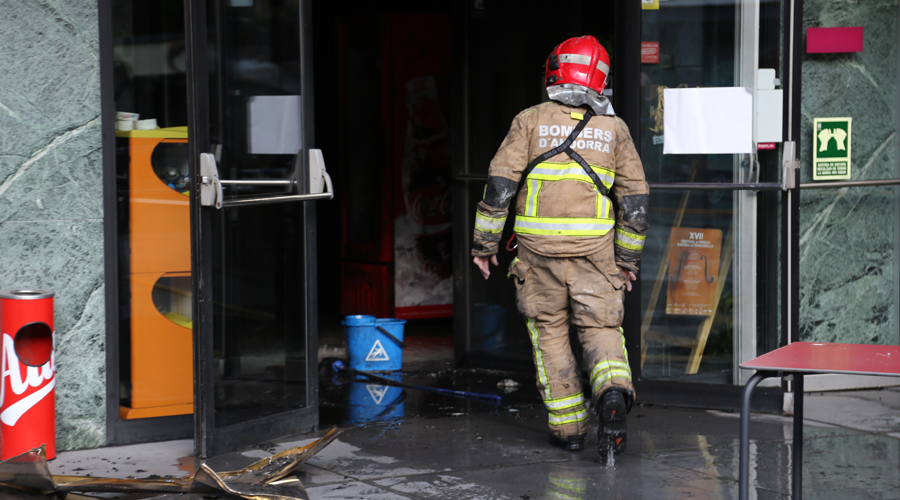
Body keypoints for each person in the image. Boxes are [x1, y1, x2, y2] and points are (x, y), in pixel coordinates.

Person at [471, 35, 649, 460]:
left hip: (536, 256)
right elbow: (636, 202)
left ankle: (569, 429)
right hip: (596, 256)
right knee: (601, 330)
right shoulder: (615, 130)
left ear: (555, 70)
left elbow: (499, 188)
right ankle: (611, 392)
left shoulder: (528, 120)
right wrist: (626, 260)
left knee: (549, 333)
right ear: (601, 79)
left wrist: (484, 244)